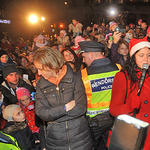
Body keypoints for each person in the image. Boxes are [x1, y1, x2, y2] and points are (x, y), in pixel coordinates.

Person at [33, 46, 91, 150]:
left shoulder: (75, 78)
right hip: (55, 141)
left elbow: (81, 108)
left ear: (51, 65)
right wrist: (65, 107)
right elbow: (42, 113)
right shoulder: (41, 85)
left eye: (40, 69)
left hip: (80, 138)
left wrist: (54, 118)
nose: (39, 73)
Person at [109, 38, 150, 150]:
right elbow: (113, 109)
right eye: (141, 55)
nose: (146, 59)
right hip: (135, 134)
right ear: (133, 57)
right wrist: (129, 107)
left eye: (149, 55)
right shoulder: (122, 77)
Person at [79, 41, 119, 150]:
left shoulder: (83, 74)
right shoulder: (118, 68)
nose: (83, 60)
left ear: (91, 54)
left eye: (83, 57)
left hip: (94, 123)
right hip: (115, 119)